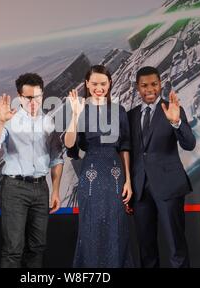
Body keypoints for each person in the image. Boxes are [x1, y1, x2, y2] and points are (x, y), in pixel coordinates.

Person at [0, 73, 64, 268]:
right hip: (15, 189)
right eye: (29, 97)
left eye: (37, 96)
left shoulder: (49, 122)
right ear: (20, 97)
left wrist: (55, 189)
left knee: (38, 246)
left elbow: (56, 158)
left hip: (40, 188)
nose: (34, 101)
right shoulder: (10, 119)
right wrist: (1, 121)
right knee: (14, 248)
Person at [64, 65, 133, 268]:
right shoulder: (79, 109)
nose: (99, 87)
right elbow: (69, 145)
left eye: (103, 83)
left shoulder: (119, 111)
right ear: (87, 84)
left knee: (117, 228)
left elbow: (125, 147)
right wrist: (75, 115)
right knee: (90, 228)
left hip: (115, 174)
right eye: (94, 83)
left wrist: (128, 180)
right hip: (91, 175)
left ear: (109, 84)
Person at [127, 66, 196, 268]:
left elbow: (189, 144)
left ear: (160, 84)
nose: (150, 89)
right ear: (137, 88)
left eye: (154, 84)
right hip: (140, 191)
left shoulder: (173, 110)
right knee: (146, 249)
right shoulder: (130, 116)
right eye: (144, 85)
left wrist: (176, 122)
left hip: (168, 187)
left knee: (176, 245)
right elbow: (128, 154)